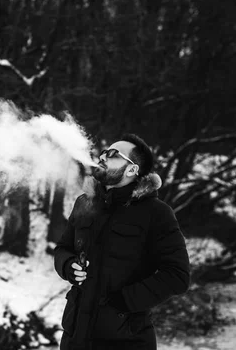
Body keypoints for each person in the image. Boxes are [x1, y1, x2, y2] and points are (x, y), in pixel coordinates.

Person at [54, 133, 190, 350]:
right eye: (105, 151)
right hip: (75, 338)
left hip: (126, 340)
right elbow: (62, 248)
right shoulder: (84, 203)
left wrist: (125, 302)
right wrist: (68, 266)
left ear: (132, 169)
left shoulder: (157, 213)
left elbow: (177, 275)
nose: (103, 156)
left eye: (113, 155)